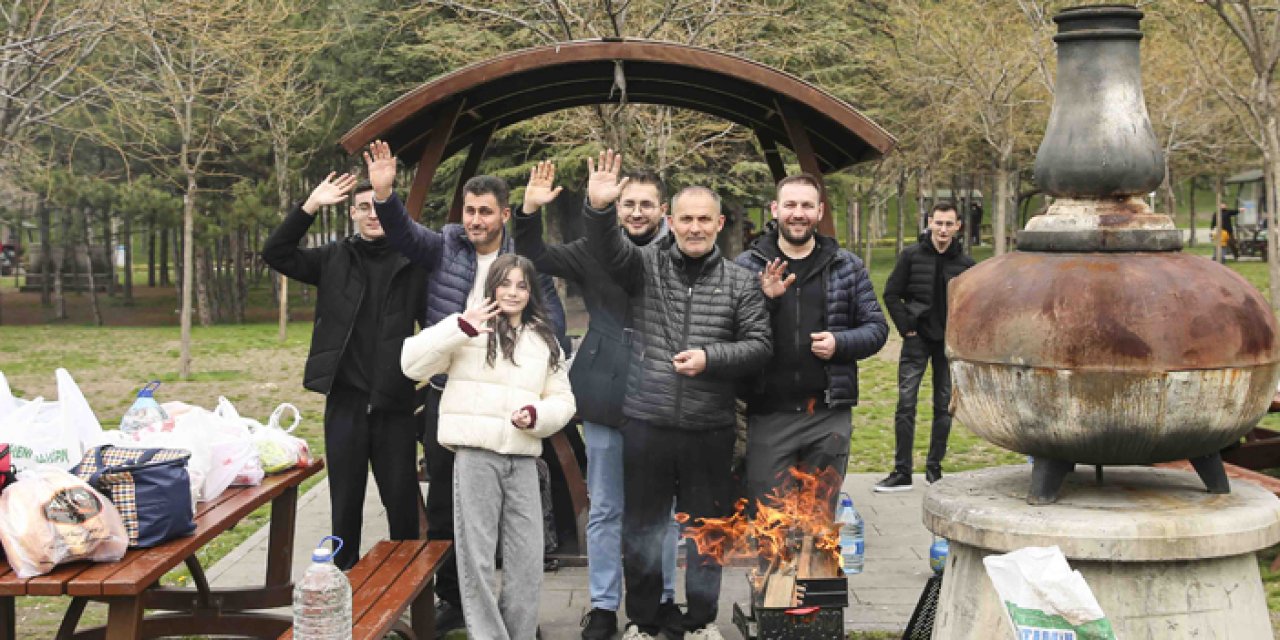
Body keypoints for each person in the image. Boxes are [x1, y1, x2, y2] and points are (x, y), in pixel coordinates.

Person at [363, 140, 567, 635]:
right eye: (470, 211)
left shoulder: (521, 261)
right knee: (444, 506)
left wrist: (549, 365)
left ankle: (514, 614)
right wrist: (385, 195)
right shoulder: (446, 247)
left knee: (515, 519)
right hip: (449, 393)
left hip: (509, 400)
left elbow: (550, 319)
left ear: (503, 215)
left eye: (485, 212)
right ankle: (453, 598)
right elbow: (405, 234)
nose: (475, 220)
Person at [582, 150, 772, 640]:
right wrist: (600, 209)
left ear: (719, 224)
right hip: (647, 422)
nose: (694, 228)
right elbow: (606, 251)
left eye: (704, 219)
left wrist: (711, 357)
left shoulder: (740, 281)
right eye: (685, 219)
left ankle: (701, 620)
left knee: (708, 533)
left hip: (710, 426)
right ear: (670, 221)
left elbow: (759, 345)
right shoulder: (644, 266)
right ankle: (645, 622)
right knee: (643, 530)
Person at [514, 161, 683, 639]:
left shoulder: (681, 253)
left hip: (664, 391)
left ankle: (664, 599)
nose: (636, 212)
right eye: (628, 204)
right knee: (606, 507)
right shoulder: (592, 248)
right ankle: (605, 606)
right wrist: (528, 212)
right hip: (606, 389)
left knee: (662, 510)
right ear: (617, 206)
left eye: (646, 204)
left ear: (663, 210)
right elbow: (534, 256)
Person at [401, 254, 576, 640]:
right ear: (491, 287)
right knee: (476, 558)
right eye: (505, 284)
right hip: (475, 456)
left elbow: (563, 401)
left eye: (521, 285)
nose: (513, 292)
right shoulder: (466, 328)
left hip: (523, 458)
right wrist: (459, 327)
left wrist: (537, 415)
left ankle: (519, 633)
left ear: (531, 292)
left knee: (527, 559)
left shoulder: (544, 339)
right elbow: (411, 364)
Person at [261, 174, 425, 570]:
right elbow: (275, 252)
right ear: (352, 213)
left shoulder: (414, 262)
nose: (372, 215)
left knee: (402, 505)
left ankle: (406, 585)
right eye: (364, 207)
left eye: (379, 207)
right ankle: (343, 583)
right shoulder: (333, 258)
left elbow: (438, 324)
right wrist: (310, 206)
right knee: (344, 505)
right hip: (345, 402)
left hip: (393, 403)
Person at [734, 174, 888, 511]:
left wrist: (840, 343)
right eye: (790, 205)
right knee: (770, 520)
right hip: (768, 414)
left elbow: (877, 328)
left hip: (827, 414)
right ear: (775, 209)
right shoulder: (747, 266)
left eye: (807, 205)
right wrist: (767, 301)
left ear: (819, 211)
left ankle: (816, 550)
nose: (798, 213)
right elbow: (732, 334)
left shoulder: (846, 266)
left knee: (818, 523)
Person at [875, 202, 975, 493]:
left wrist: (960, 334)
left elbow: (972, 305)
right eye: (938, 223)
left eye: (949, 224)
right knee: (906, 404)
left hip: (948, 344)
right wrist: (906, 326)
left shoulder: (966, 265)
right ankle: (902, 471)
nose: (943, 230)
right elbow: (891, 294)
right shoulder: (911, 256)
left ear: (958, 227)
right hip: (916, 339)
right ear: (930, 222)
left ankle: (934, 469)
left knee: (944, 407)